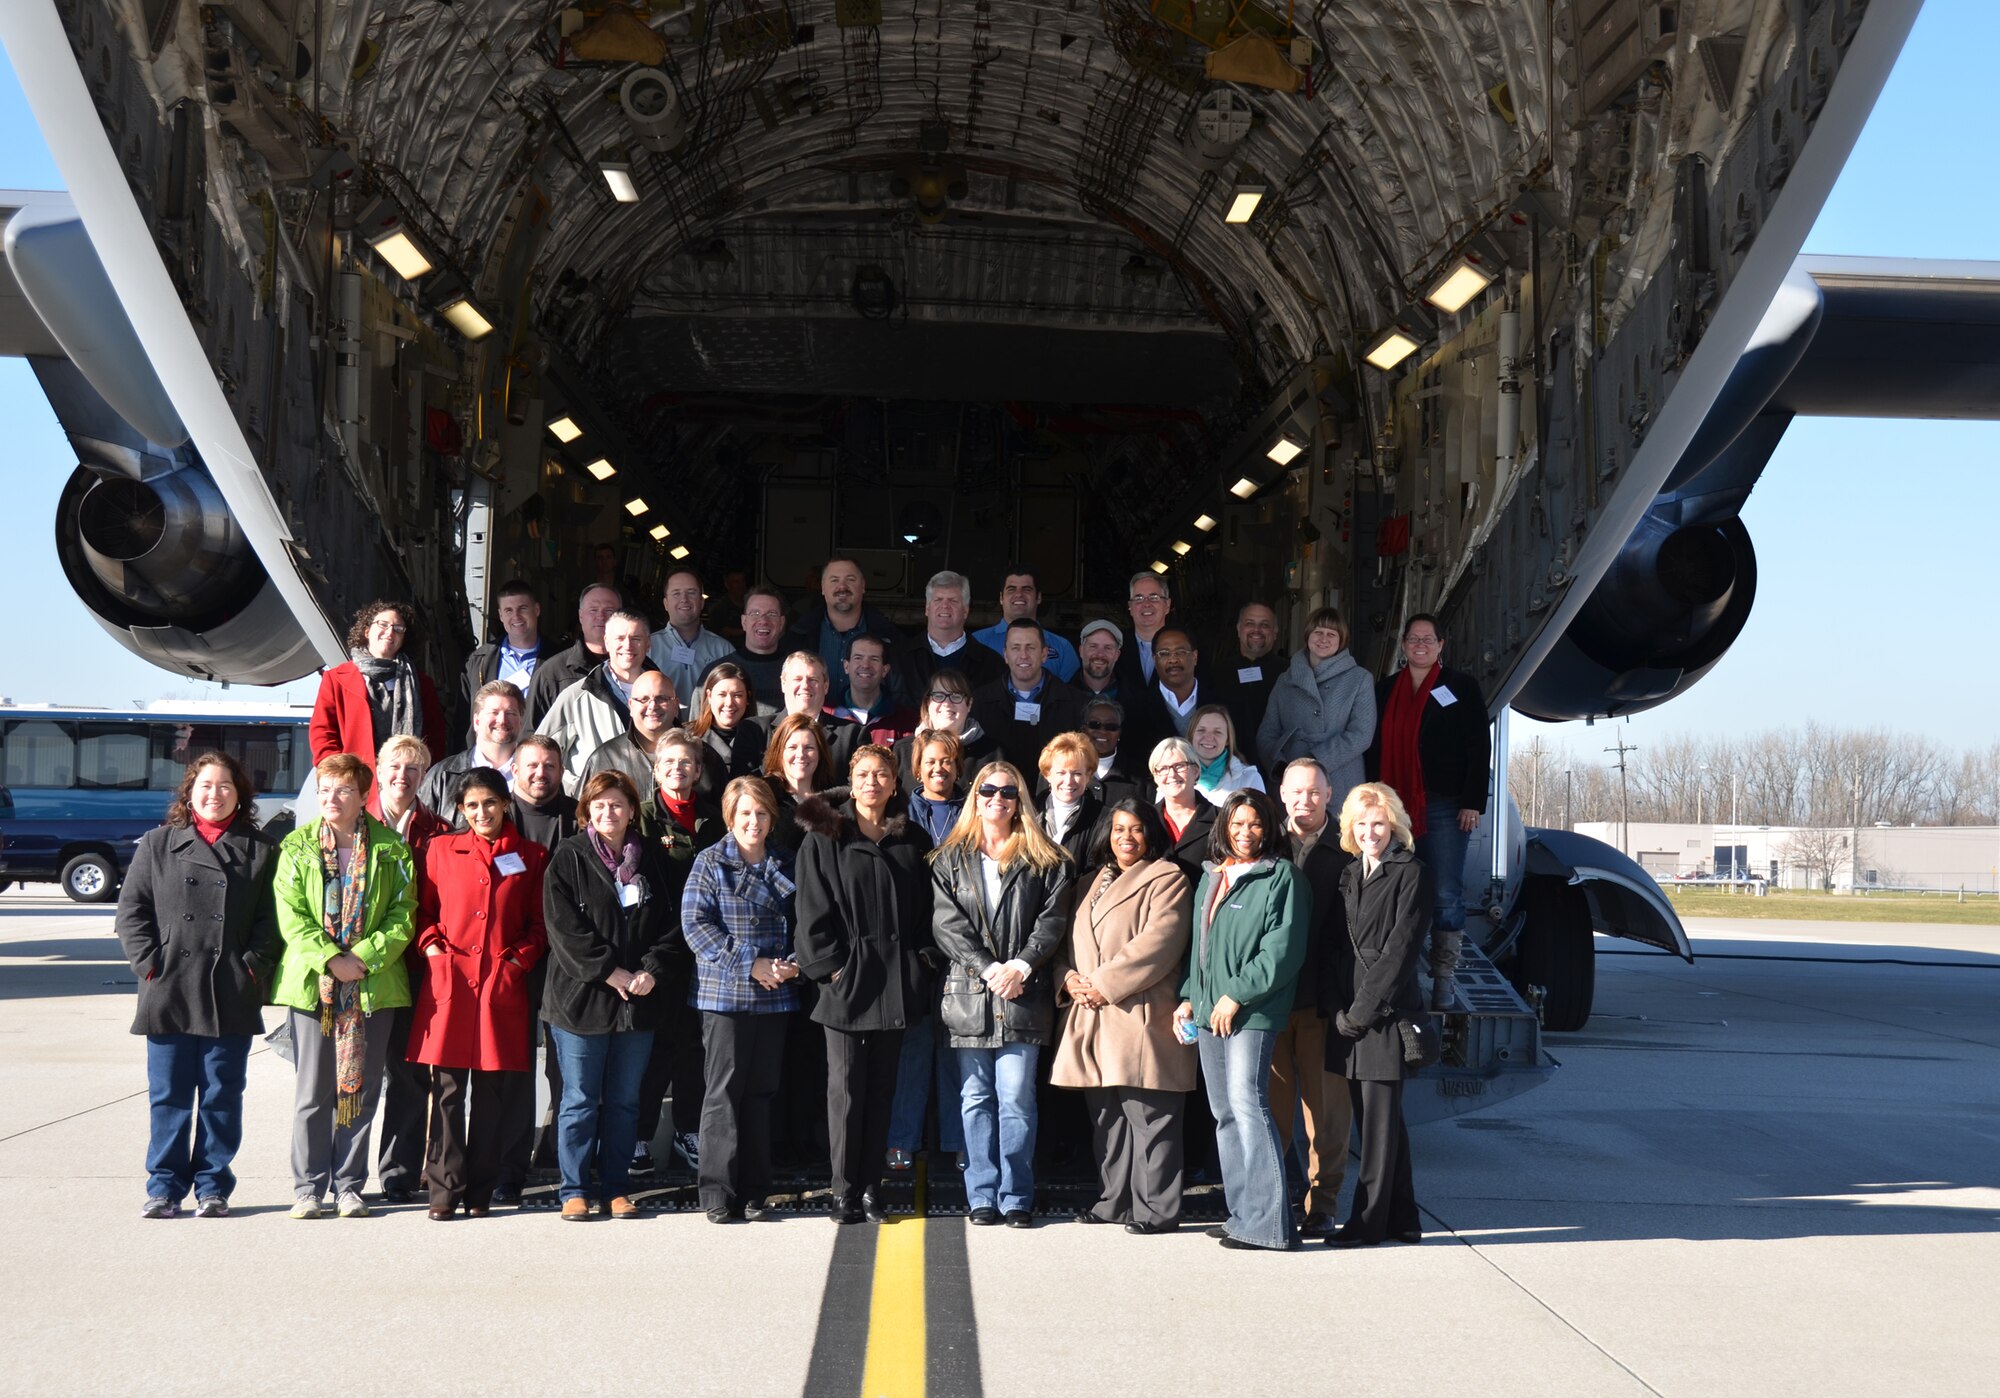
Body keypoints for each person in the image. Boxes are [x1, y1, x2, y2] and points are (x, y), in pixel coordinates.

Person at [116, 751, 281, 1219]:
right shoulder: (157, 844)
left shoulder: (262, 849)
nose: (215, 794)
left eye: (225, 785)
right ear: (189, 793)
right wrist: (150, 965)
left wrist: (252, 966)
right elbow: (131, 913)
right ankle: (164, 1187)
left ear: (239, 794)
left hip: (228, 988)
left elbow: (273, 922)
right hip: (168, 987)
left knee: (220, 1096)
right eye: (205, 785)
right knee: (168, 1095)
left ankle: (213, 1185)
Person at [270, 752, 418, 1219]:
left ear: (362, 797)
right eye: (325, 791)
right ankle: (309, 1188)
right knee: (314, 1092)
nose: (332, 799)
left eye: (343, 791)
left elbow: (404, 913)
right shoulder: (296, 847)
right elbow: (290, 915)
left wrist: (365, 958)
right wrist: (332, 958)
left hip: (373, 987)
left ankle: (350, 1186)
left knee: (360, 1089)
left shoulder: (392, 848)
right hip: (315, 987)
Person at [793, 746, 937, 1223]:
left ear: (896, 784)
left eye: (881, 774)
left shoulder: (911, 838)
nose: (872, 782)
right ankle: (844, 1190)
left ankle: (872, 1187)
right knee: (846, 1093)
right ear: (849, 782)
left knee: (881, 1093)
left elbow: (927, 915)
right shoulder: (824, 837)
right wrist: (834, 970)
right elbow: (811, 915)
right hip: (848, 986)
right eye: (862, 774)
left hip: (897, 982)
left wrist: (921, 963)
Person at [929, 760, 1073, 1227]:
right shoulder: (950, 858)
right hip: (971, 994)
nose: (997, 799)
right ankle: (982, 1195)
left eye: (1008, 792)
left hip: (1023, 993)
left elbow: (1052, 920)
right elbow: (945, 924)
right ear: (974, 796)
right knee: (975, 1098)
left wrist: (1022, 964)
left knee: (1016, 1098)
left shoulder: (1045, 858)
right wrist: (989, 967)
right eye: (987, 790)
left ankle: (1016, 1195)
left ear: (1020, 801)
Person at [407, 768, 550, 1219]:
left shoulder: (530, 855)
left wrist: (516, 962)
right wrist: (432, 948)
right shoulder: (440, 850)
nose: (481, 812)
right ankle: (444, 1191)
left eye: (489, 802)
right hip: (450, 985)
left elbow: (538, 926)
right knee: (447, 1091)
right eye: (471, 805)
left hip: (499, 988)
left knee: (493, 1094)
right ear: (460, 810)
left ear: (505, 803)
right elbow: (422, 910)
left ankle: (481, 1191)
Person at [1049, 799, 1193, 1234]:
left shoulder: (1167, 878)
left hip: (1138, 1013)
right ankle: (1116, 1200)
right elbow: (1064, 943)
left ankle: (1157, 1209)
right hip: (1090, 1014)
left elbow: (1159, 944)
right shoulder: (1089, 881)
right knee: (1108, 1118)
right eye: (1118, 829)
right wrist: (1068, 978)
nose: (1126, 838)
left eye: (1135, 829)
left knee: (1151, 1116)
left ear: (1151, 833)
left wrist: (1102, 984)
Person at [1174, 788, 1308, 1251]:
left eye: (1254, 824)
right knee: (1224, 1114)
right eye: (1236, 824)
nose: (1245, 833)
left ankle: (1270, 1225)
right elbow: (1200, 948)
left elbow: (1281, 951)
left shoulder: (1281, 877)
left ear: (1269, 827)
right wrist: (1190, 997)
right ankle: (1242, 1215)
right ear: (1224, 827)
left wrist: (1235, 995)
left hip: (1252, 1011)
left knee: (1248, 1105)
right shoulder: (1214, 876)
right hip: (1210, 1011)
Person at [542, 770, 678, 1220]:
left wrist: (650, 971)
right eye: (599, 805)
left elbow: (673, 925)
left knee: (624, 1101)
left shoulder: (653, 860)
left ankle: (617, 1187)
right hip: (581, 1001)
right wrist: (611, 972)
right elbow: (565, 932)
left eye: (617, 804)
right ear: (586, 811)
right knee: (580, 1100)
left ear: (633, 811)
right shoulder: (568, 857)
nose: (608, 812)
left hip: (638, 1002)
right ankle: (574, 1189)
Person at [680, 776, 803, 1222]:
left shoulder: (787, 862)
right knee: (723, 1094)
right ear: (730, 817)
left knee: (761, 1093)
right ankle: (716, 1192)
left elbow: (803, 923)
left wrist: (791, 964)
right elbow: (696, 926)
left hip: (775, 993)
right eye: (745, 813)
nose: (754, 821)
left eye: (762, 813)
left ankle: (755, 1189)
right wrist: (750, 963)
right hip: (726, 993)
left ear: (773, 818)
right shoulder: (710, 862)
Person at [1363, 613, 1489, 1008]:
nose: (1420, 645)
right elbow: (1371, 746)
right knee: (1393, 887)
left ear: (1440, 645)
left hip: (1445, 804)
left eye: (1427, 639)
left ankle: (1443, 975)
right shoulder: (1384, 691)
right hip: (1392, 806)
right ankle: (1397, 973)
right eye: (1413, 639)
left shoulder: (1461, 687)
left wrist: (1473, 800)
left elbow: (1477, 746)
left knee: (1446, 890)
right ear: (1403, 644)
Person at [1325, 782, 1430, 1248]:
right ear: (1350, 828)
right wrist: (1338, 1009)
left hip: (1384, 1014)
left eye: (1379, 823)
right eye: (1361, 824)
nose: (1371, 832)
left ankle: (1367, 1224)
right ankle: (1404, 1219)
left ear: (1395, 826)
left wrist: (1360, 1014)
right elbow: (1335, 946)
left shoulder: (1413, 873)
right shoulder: (1349, 873)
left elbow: (1400, 952)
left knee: (1378, 1129)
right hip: (1349, 1012)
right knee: (1380, 1125)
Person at [631, 731, 725, 1176]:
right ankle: (639, 1137)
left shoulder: (713, 820)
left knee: (695, 1048)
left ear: (698, 770)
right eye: (669, 762)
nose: (678, 769)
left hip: (705, 953)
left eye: (686, 762)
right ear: (655, 768)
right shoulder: (644, 820)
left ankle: (689, 1131)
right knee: (655, 1049)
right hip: (662, 948)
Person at [1269, 758, 1354, 1236]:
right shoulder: (1264, 844)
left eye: (1315, 792)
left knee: (1326, 1114)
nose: (1305, 800)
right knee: (1273, 1112)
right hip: (1273, 1004)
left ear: (1328, 795)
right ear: (1282, 794)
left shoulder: (1348, 849)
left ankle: (1322, 1204)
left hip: (1324, 1006)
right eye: (1297, 792)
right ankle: (1273, 1199)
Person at [884, 730, 967, 1174]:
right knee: (913, 1045)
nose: (940, 769)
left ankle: (957, 1139)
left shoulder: (974, 808)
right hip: (915, 944)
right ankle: (902, 1139)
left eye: (948, 761)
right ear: (917, 767)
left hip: (963, 944)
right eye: (931, 761)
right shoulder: (901, 812)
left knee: (955, 1045)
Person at [371, 735, 449, 1204]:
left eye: (414, 769)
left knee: (408, 1073)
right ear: (378, 770)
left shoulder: (438, 832)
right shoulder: (350, 824)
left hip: (415, 967)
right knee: (350, 1075)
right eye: (395, 767)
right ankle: (336, 1174)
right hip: (357, 966)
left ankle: (398, 1173)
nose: (403, 776)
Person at [309, 600, 447, 780]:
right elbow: (323, 732)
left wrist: (427, 777)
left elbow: (435, 735)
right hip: (355, 782)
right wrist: (337, 774)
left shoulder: (421, 683)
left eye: (398, 629)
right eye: (383, 624)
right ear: (367, 631)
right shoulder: (336, 679)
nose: (390, 632)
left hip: (406, 782)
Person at [1259, 605, 1375, 797]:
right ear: (1307, 636)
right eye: (1318, 632)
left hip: (1339, 778)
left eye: (1331, 634)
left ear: (1341, 641)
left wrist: (1315, 760)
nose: (1323, 639)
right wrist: (1279, 766)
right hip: (1291, 776)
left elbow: (1361, 735)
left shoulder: (1359, 679)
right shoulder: (1285, 679)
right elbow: (1267, 731)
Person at [537, 611, 664, 779]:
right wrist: (576, 788)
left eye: (636, 639)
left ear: (648, 644)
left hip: (651, 802)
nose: (628, 645)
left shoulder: (665, 695)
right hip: (596, 803)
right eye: (619, 638)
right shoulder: (577, 696)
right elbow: (539, 752)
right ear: (607, 642)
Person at [783, 555, 908, 708]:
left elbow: (900, 693)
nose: (842, 587)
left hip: (872, 727)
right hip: (815, 727)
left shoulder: (890, 637)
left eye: (850, 579)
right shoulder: (798, 635)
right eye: (834, 580)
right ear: (822, 587)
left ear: (863, 586)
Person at [970, 619, 1086, 774]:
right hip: (998, 795)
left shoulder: (1077, 704)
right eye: (1015, 648)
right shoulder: (979, 702)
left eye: (1030, 648)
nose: (1023, 655)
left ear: (1044, 654)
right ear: (1005, 655)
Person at [419, 680, 525, 821]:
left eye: (511, 713)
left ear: (521, 721)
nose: (502, 720)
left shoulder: (536, 776)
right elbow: (420, 831)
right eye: (494, 712)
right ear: (476, 722)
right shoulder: (442, 776)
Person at [526, 583, 625, 725]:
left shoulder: (641, 669)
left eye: (609, 610)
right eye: (593, 610)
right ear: (580, 616)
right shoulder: (552, 673)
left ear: (621, 616)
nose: (601, 616)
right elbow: (531, 735)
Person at [459, 580, 545, 743]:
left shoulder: (558, 661)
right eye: (508, 610)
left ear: (537, 610)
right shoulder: (478, 661)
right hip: (488, 758)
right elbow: (464, 719)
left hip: (536, 758)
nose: (516, 617)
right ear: (500, 615)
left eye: (523, 608)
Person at [577, 669, 684, 790]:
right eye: (644, 699)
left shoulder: (700, 755)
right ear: (631, 706)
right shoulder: (604, 758)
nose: (652, 706)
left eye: (661, 698)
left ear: (676, 705)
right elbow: (583, 808)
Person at [650, 568, 736, 713]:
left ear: (702, 602)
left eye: (691, 592)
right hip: (662, 733)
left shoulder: (724, 650)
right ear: (665, 603)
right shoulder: (647, 647)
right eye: (676, 593)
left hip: (708, 734)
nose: (684, 599)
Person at [973, 566, 1079, 682]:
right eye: (1011, 589)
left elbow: (1072, 696)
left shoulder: (1062, 647)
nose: (1019, 594)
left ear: (1038, 597)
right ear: (1001, 598)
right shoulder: (976, 642)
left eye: (1027, 589)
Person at [905, 570, 1005, 691]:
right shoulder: (900, 658)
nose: (945, 605)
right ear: (927, 608)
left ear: (965, 610)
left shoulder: (991, 663)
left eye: (953, 600)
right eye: (938, 599)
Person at [891, 669, 995, 784]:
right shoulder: (902, 751)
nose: (947, 703)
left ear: (969, 704)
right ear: (927, 703)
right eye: (939, 696)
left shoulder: (992, 754)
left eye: (956, 696)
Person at [1213, 602, 1282, 767]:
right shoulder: (1217, 672)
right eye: (1249, 623)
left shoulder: (1289, 673)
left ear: (1275, 632)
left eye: (1264, 625)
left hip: (1276, 766)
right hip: (1227, 764)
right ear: (1238, 629)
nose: (1256, 630)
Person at [687, 663, 769, 797]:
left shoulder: (763, 737)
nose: (729, 702)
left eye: (737, 695)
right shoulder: (688, 738)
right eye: (722, 694)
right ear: (709, 696)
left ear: (747, 698)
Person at [1125, 627, 1204, 763]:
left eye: (1180, 652)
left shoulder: (1225, 705)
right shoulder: (1134, 709)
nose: (1173, 660)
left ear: (1195, 657)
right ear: (1154, 660)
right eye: (1164, 653)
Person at [762, 712, 834, 853]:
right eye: (792, 747)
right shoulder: (765, 797)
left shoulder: (834, 801)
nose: (801, 754)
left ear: (820, 754)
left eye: (809, 748)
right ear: (779, 752)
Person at [828, 633, 918, 744]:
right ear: (846, 666)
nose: (865, 665)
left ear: (885, 670)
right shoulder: (827, 716)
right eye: (858, 658)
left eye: (874, 659)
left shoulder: (907, 721)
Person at [780, 651, 861, 774]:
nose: (805, 686)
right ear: (783, 684)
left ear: (826, 686)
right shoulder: (757, 731)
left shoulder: (853, 735)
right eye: (797, 679)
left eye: (813, 680)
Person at [1150, 737, 1216, 877]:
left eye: (1179, 766)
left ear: (1195, 771)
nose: (1172, 775)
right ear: (1155, 777)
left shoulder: (1220, 819)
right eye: (1163, 768)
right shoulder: (1146, 819)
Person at [1036, 731, 1103, 868]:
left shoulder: (1102, 817)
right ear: (1047, 774)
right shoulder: (1029, 810)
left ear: (1088, 776)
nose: (1069, 781)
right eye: (1061, 773)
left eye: (1077, 773)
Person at [720, 585, 788, 710]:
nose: (763, 620)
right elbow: (699, 726)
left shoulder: (797, 673)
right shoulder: (719, 671)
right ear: (744, 622)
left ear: (781, 623)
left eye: (772, 614)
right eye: (755, 613)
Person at [1187, 704, 1266, 805]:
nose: (1209, 737)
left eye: (1218, 732)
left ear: (1228, 739)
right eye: (1201, 730)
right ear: (1191, 736)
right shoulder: (1173, 777)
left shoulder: (1250, 778)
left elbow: (1260, 819)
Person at [510, 736, 580, 850]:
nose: (540, 773)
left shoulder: (579, 815)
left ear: (561, 772)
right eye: (532, 765)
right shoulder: (496, 814)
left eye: (549, 766)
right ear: (515, 771)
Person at [1115, 572, 1174, 692]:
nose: (1146, 604)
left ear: (1167, 605)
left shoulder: (1188, 647)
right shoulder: (1115, 646)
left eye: (1154, 597)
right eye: (1138, 598)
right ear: (1130, 607)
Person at [1082, 698, 1145, 806]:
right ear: (1083, 730)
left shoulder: (1141, 777)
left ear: (1119, 733)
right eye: (1094, 724)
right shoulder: (1064, 769)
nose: (1102, 731)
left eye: (1111, 726)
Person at [1075, 619, 1123, 700]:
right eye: (1093, 646)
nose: (1100, 654)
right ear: (1081, 651)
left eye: (1108, 648)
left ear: (1117, 655)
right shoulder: (1061, 695)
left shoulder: (1135, 698)